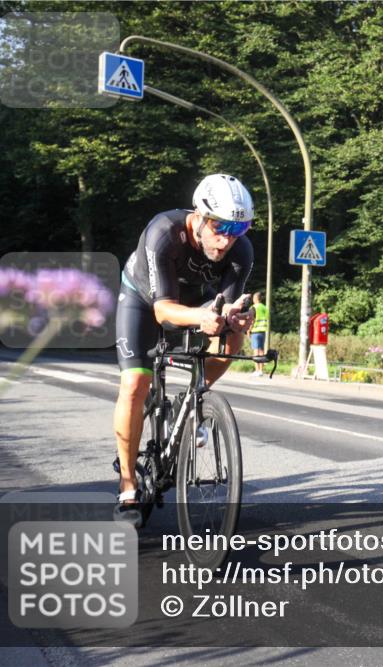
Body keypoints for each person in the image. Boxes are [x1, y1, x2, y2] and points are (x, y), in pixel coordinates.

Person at [113, 174, 256, 526]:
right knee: (135, 383)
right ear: (199, 216)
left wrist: (237, 318)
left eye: (237, 229)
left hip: (193, 299)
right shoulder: (164, 232)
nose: (225, 240)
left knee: (232, 336)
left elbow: (228, 306)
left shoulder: (241, 249)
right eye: (219, 227)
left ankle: (193, 397)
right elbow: (163, 311)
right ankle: (128, 485)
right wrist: (202, 316)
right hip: (144, 298)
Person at [250, 291, 269, 376]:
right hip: (263, 331)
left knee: (255, 351)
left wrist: (248, 330)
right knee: (261, 350)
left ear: (255, 299)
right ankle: (261, 370)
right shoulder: (265, 308)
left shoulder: (253, 307)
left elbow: (251, 320)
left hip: (255, 331)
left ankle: (257, 370)